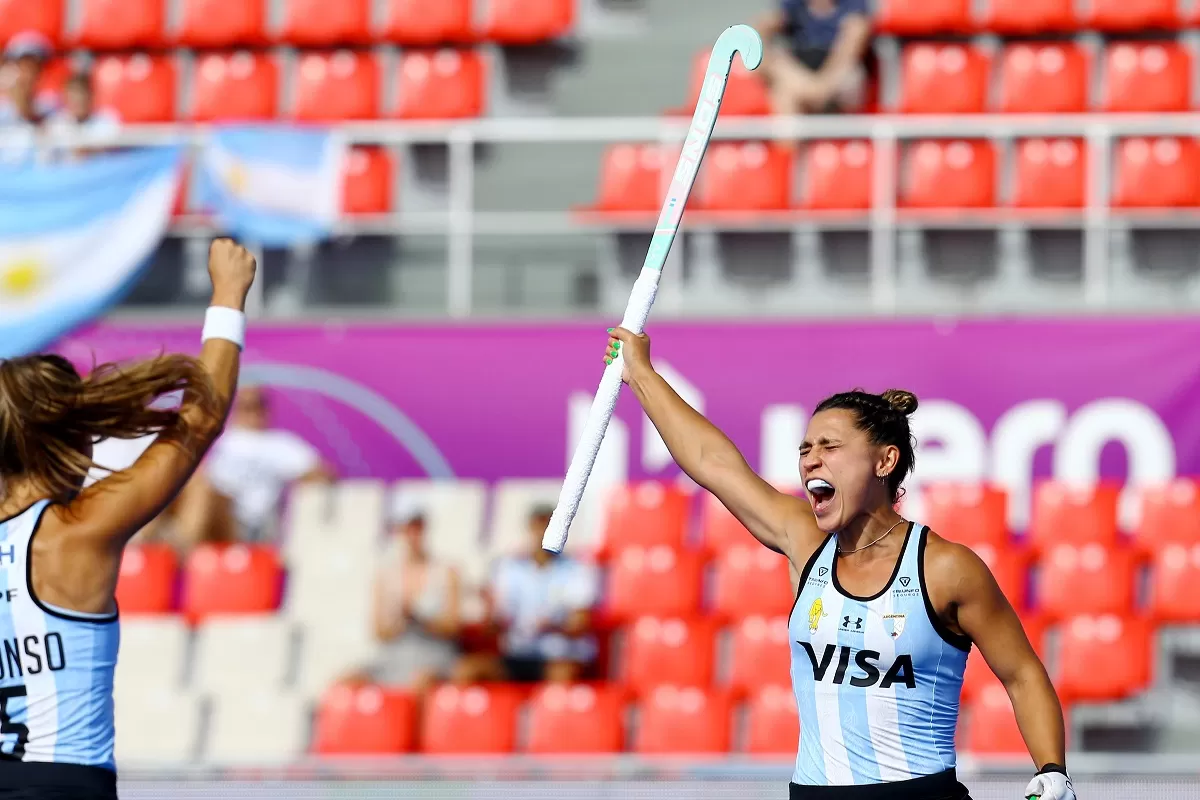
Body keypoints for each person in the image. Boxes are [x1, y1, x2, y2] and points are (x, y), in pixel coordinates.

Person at [602, 328, 1076, 800]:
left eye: (829, 447)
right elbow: (712, 462)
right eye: (805, 449)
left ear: (885, 461)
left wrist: (1052, 771)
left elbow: (1022, 674)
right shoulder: (805, 541)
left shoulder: (947, 567)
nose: (811, 460)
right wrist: (641, 372)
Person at [0, 238, 256, 799]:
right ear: (75, 437)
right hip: (62, 784)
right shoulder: (74, 533)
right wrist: (228, 294)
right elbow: (201, 419)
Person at [472, 506, 600, 683]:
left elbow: (579, 624)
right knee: (470, 671)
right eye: (539, 525)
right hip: (518, 653)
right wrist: (490, 612)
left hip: (559, 654)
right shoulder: (509, 568)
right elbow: (493, 626)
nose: (544, 532)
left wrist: (551, 625)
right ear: (531, 528)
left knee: (560, 676)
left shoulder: (576, 569)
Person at [194, 385, 334, 544]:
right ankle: (171, 556)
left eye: (257, 404)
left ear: (266, 408)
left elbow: (324, 473)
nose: (252, 411)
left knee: (202, 492)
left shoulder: (280, 443)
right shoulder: (223, 440)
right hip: (219, 515)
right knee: (194, 489)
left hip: (256, 520)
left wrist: (300, 485)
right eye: (245, 406)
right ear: (236, 409)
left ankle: (178, 555)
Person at [362, 496, 463, 693]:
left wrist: (420, 618)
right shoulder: (385, 576)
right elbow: (379, 632)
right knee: (346, 683)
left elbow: (452, 627)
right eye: (407, 527)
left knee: (421, 682)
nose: (412, 534)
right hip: (394, 656)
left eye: (417, 526)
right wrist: (401, 620)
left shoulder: (447, 571)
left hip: (434, 655)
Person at [754, 0, 872, 115]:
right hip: (802, 73)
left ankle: (813, 94)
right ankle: (811, 96)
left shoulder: (853, 5)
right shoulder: (791, 5)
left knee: (785, 91)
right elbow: (763, 29)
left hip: (839, 74)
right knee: (780, 85)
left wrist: (824, 84)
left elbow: (854, 39)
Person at [45, 72, 120, 161]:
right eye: (73, 94)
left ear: (91, 95)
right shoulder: (55, 124)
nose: (78, 99)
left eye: (82, 93)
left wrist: (88, 150)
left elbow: (113, 147)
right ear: (65, 97)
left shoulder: (107, 119)